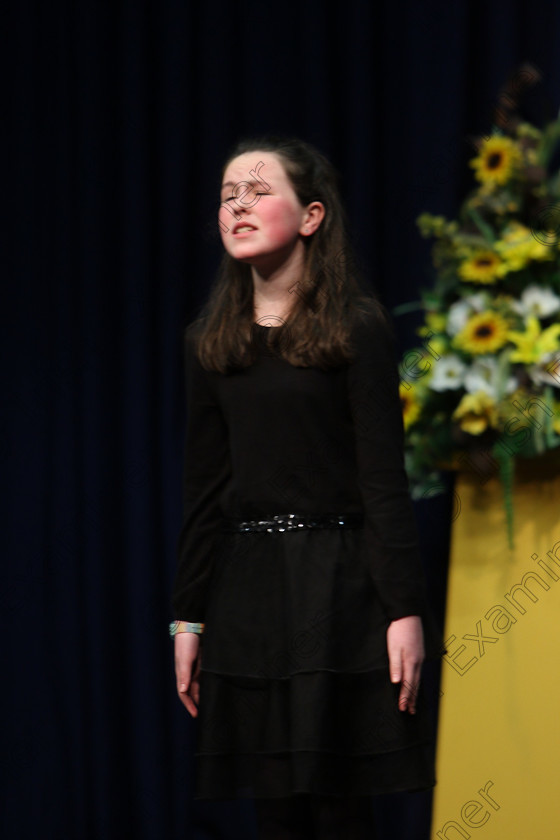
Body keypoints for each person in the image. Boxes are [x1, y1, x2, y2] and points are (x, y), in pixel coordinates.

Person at [170, 136, 441, 839]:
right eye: (229, 195)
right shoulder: (210, 342)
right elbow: (205, 490)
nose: (239, 205)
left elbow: (384, 481)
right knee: (276, 805)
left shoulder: (355, 329)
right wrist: (188, 618)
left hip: (341, 587)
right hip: (252, 592)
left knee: (340, 801)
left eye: (258, 191)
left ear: (312, 216)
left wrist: (403, 611)